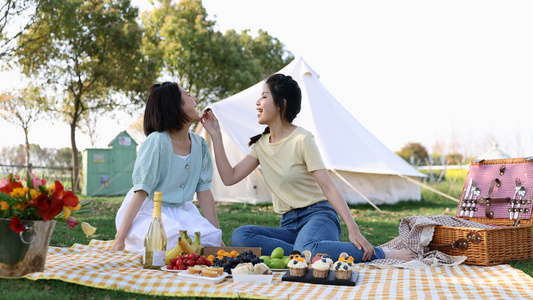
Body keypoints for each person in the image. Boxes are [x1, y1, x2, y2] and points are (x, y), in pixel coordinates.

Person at [201, 74, 414, 262]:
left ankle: (379, 253)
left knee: (306, 248)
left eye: (264, 96)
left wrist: (353, 227)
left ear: (280, 104)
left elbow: (328, 187)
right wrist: (216, 135)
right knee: (241, 235)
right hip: (289, 225)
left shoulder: (302, 139)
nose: (258, 102)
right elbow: (229, 177)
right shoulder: (261, 145)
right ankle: (307, 253)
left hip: (319, 217)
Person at [110, 82, 223, 252]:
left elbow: (204, 192)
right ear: (175, 106)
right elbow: (141, 191)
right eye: (189, 95)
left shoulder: (200, 145)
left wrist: (217, 237)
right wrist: (120, 240)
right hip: (149, 212)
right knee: (169, 239)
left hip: (183, 211)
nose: (196, 99)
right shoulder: (157, 142)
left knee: (206, 239)